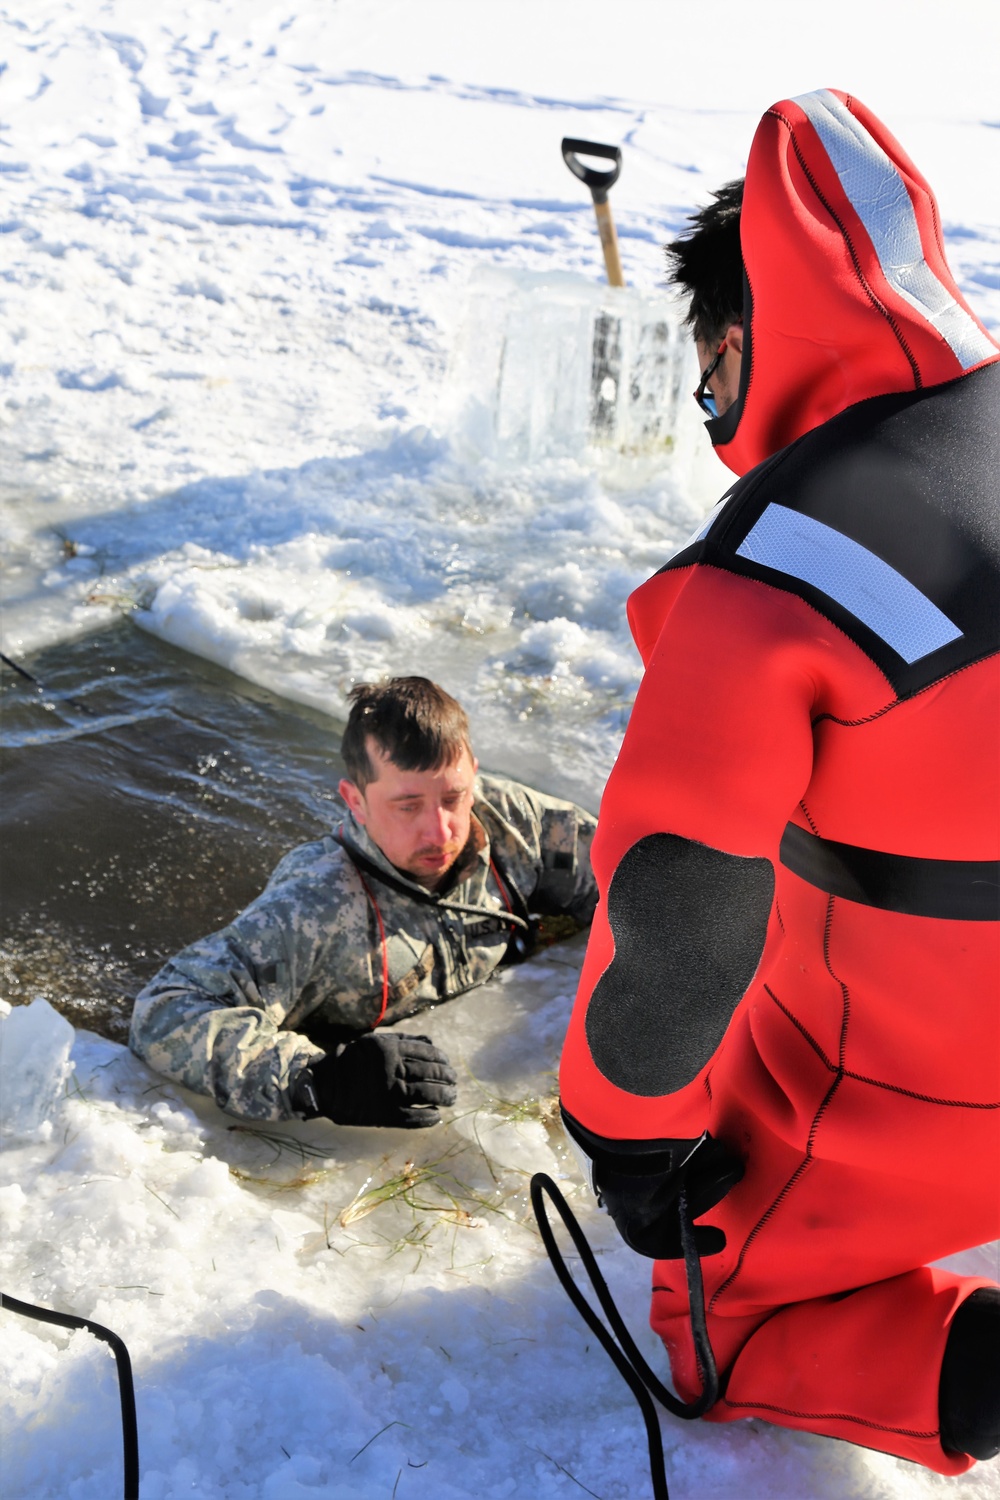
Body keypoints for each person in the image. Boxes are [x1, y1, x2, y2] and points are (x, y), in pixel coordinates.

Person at [558, 88, 999, 1475]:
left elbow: (681, 904)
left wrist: (628, 1135)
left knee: (721, 1316)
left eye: (708, 375)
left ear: (747, 347)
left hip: (936, 1075)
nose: (708, 412)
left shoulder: (774, 576)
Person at [131, 676, 597, 1128]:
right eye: (408, 806)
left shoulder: (514, 820)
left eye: (453, 797)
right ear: (355, 801)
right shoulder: (314, 905)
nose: (441, 832)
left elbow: (630, 877)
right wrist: (321, 1080)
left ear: (473, 775)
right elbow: (165, 1013)